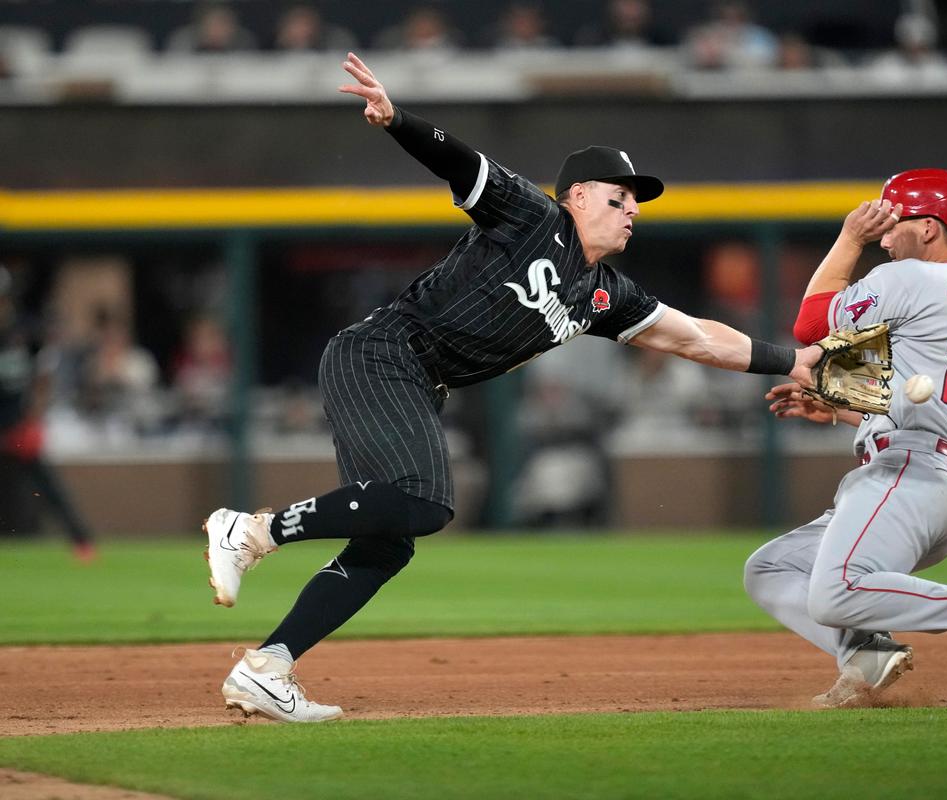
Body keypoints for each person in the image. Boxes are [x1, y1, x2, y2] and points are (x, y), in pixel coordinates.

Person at [204, 51, 823, 723]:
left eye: (636, 204)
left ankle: (266, 668)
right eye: (620, 198)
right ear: (579, 196)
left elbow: (698, 338)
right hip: (383, 353)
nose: (631, 211)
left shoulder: (604, 293)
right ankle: (254, 529)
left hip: (418, 378)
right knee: (426, 502)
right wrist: (397, 119)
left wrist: (792, 362)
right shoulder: (533, 217)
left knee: (392, 537)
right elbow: (460, 163)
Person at [743, 169, 947, 709]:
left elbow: (808, 326)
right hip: (936, 486)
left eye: (894, 224)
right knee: (771, 569)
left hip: (905, 477)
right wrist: (841, 410)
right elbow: (911, 394)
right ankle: (867, 658)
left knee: (837, 591)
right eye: (878, 227)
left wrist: (849, 237)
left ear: (928, 227)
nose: (885, 237)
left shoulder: (913, 277)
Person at [0, 266, 97, 562]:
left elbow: (43, 377)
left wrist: (33, 419)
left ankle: (82, 542)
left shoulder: (23, 333)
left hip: (18, 425)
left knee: (49, 487)